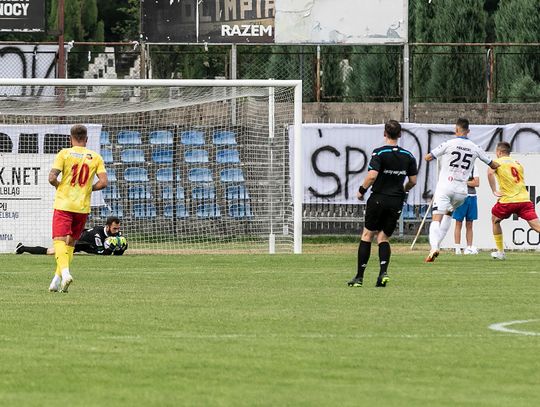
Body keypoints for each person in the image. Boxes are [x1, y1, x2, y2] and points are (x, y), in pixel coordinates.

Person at [347, 120, 417, 288]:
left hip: (378, 198)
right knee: (383, 237)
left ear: (385, 134)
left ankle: (359, 277)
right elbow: (413, 181)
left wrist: (361, 191)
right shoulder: (408, 156)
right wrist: (404, 189)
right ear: (400, 135)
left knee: (367, 235)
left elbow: (372, 176)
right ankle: (382, 273)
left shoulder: (379, 153)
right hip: (396, 200)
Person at [424, 118, 499, 262]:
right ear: (468, 131)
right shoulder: (475, 147)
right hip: (462, 192)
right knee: (448, 214)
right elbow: (493, 164)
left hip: (445, 186)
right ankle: (436, 245)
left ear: (456, 130)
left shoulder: (449, 143)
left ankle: (434, 247)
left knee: (436, 218)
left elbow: (428, 157)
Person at [48, 124, 108, 292]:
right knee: (71, 243)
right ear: (86, 139)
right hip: (82, 207)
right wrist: (89, 188)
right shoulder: (95, 157)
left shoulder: (64, 153)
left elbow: (52, 177)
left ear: (70, 138)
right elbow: (103, 182)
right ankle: (56, 279)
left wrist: (60, 186)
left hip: (64, 204)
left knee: (59, 240)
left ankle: (66, 273)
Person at [487, 141, 540, 260]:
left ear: (499, 152)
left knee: (495, 220)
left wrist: (494, 190)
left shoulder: (497, 162)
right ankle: (500, 253)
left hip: (508, 201)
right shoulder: (518, 163)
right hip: (525, 200)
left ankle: (500, 252)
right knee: (537, 227)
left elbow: (490, 173)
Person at [15, 216, 127, 256]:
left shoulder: (116, 234)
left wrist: (121, 248)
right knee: (52, 252)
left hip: (87, 245)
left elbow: (118, 251)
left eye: (118, 228)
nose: (117, 231)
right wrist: (111, 248)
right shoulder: (97, 235)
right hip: (79, 241)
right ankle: (22, 248)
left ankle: (23, 248)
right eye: (114, 228)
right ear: (107, 227)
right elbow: (102, 253)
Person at [452, 169, 479, 255]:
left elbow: (476, 183)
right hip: (460, 196)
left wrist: (463, 182)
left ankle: (469, 247)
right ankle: (457, 248)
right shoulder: (457, 166)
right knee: (458, 223)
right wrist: (469, 182)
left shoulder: (474, 167)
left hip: (472, 197)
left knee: (470, 224)